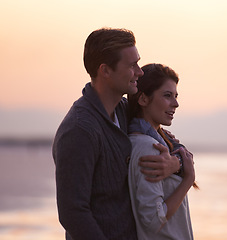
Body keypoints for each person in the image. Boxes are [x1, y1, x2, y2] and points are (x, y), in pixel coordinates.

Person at [52, 28, 180, 240]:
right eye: (132, 65)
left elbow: (167, 138)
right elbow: (73, 213)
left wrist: (177, 164)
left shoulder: (123, 109)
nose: (139, 72)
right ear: (105, 70)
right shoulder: (78, 130)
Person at [127, 63, 197, 239]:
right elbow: (152, 221)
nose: (176, 103)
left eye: (175, 96)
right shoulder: (149, 147)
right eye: (167, 96)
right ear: (143, 99)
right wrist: (188, 179)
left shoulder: (161, 142)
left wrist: (179, 164)